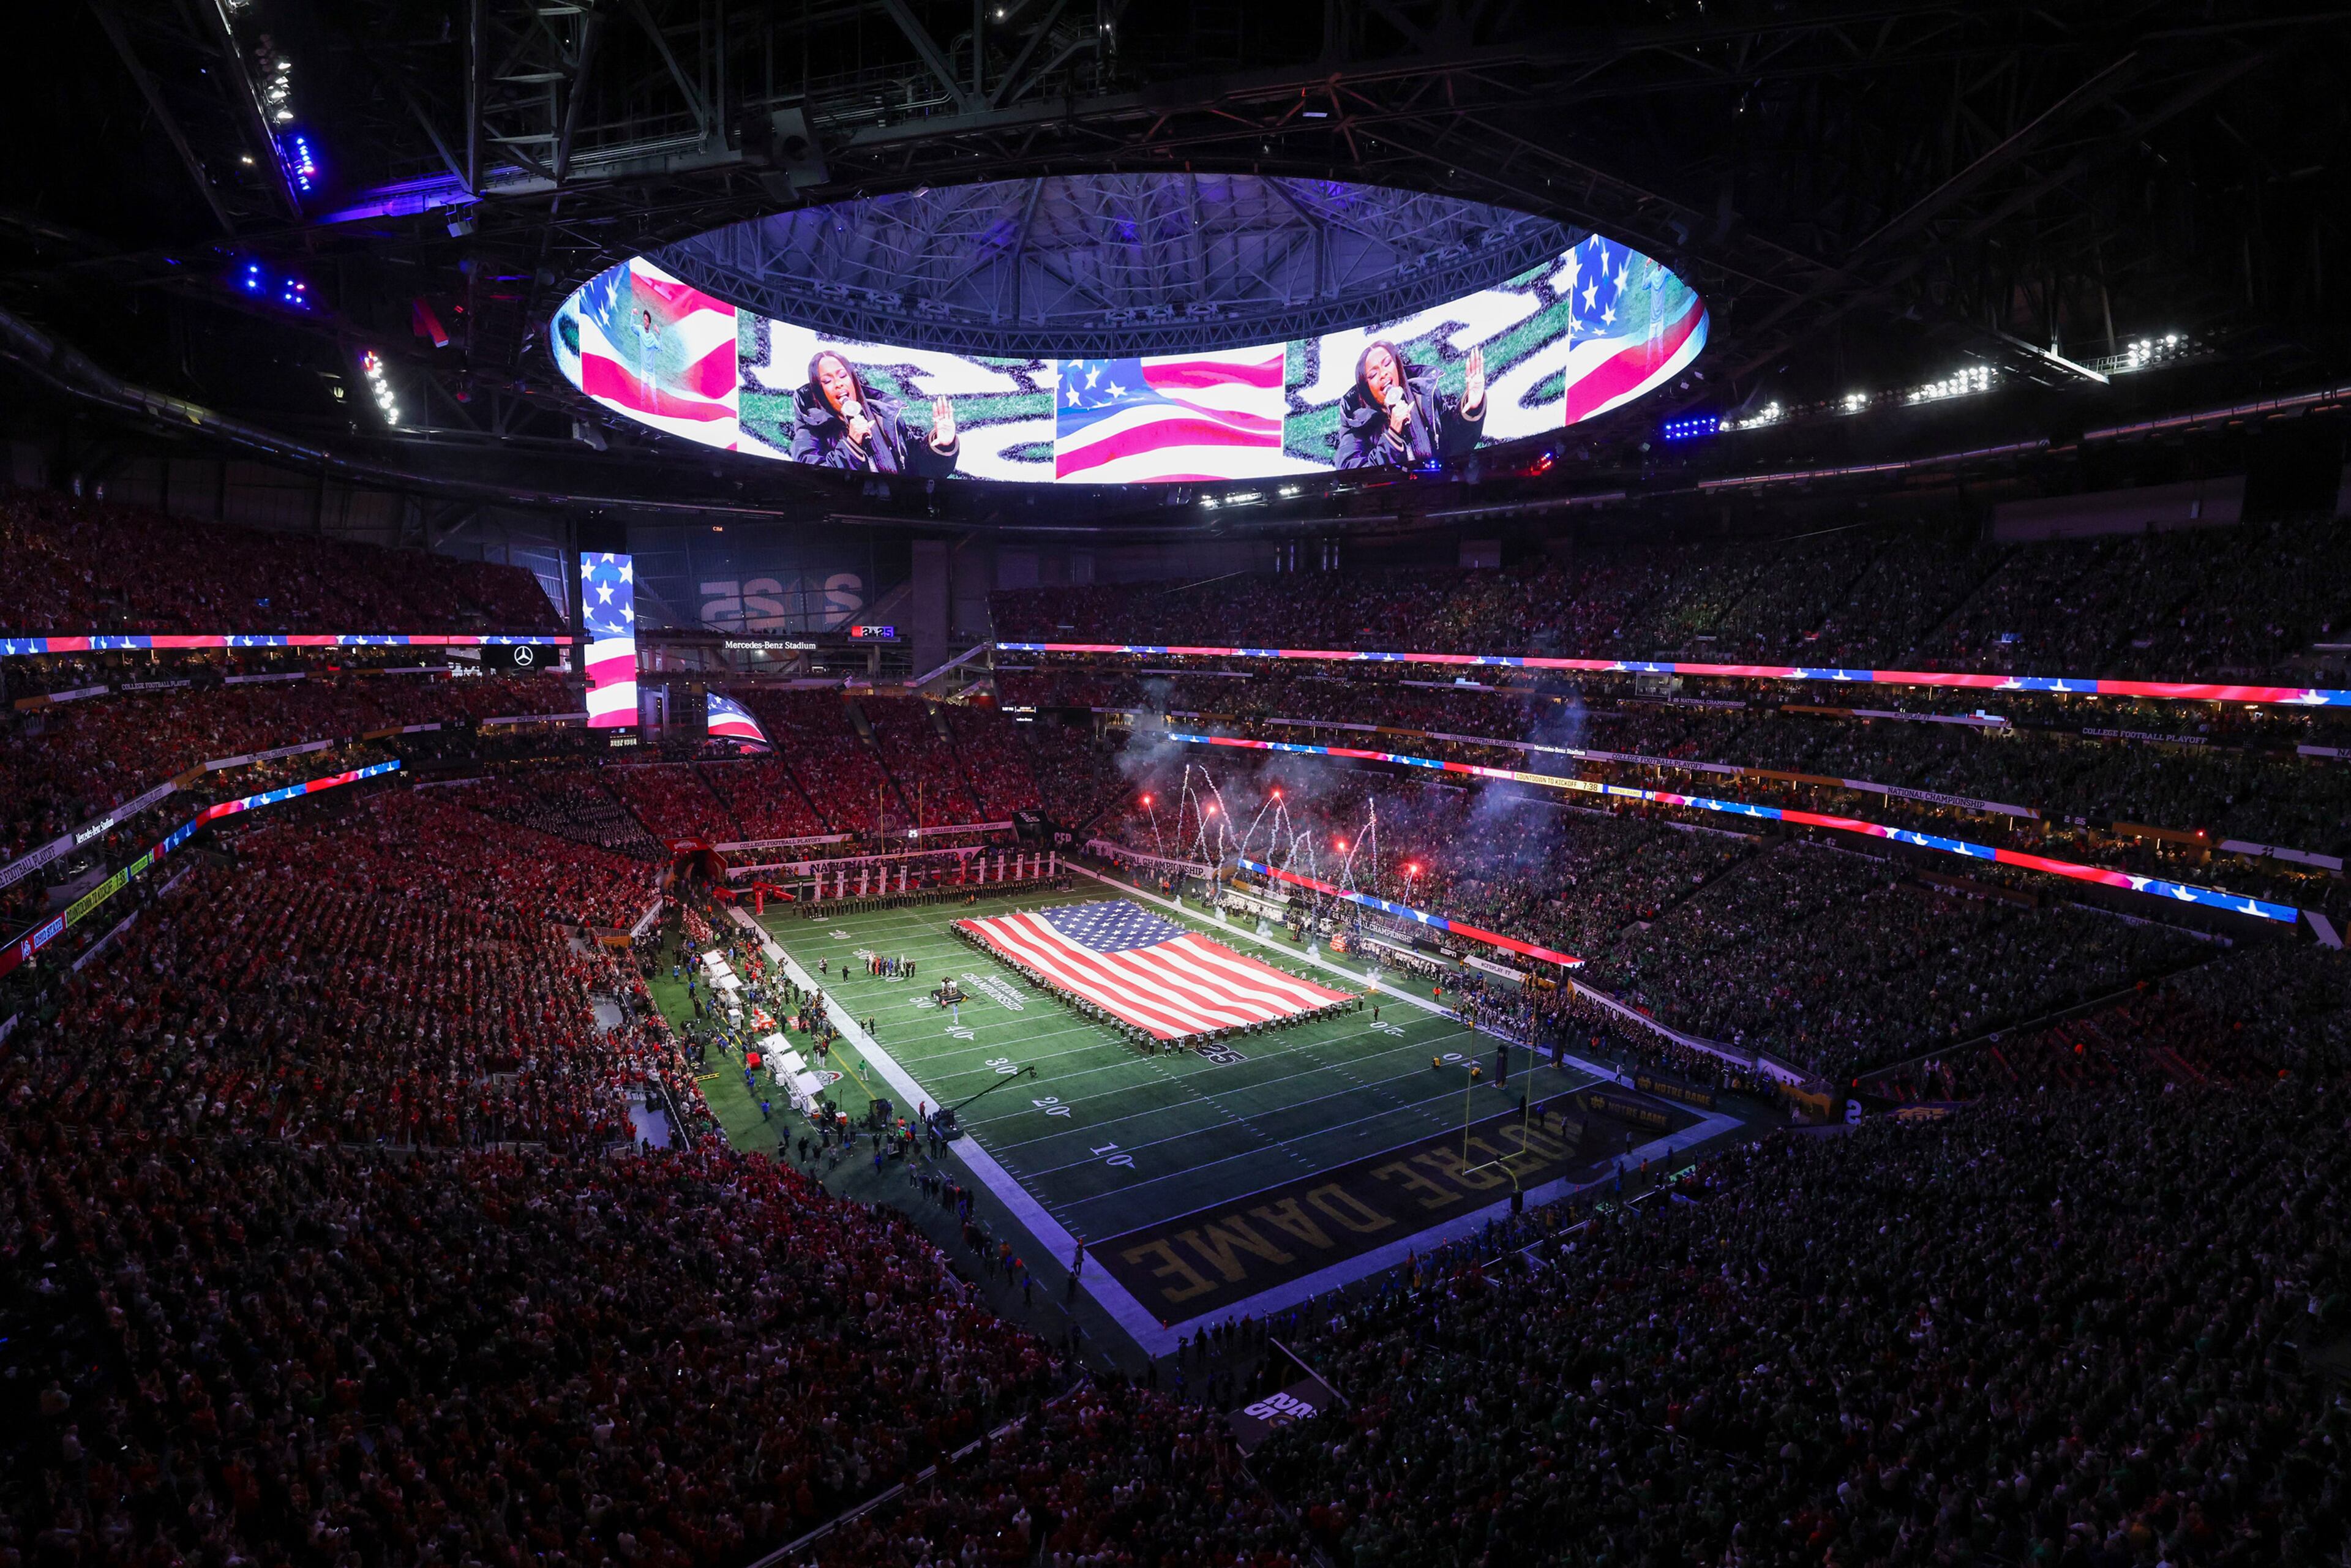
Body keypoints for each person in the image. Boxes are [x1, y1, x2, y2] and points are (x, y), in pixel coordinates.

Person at [789, 351, 960, 476]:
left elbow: (920, 470)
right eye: (827, 381)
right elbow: (812, 479)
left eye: (843, 376)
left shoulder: (884, 417)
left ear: (853, 380)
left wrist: (942, 445)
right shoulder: (809, 431)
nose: (839, 384)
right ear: (819, 391)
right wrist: (852, 446)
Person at [1335, 340, 1485, 468]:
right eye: (1373, 375)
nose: (1383, 374)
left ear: (1398, 366)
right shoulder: (1357, 426)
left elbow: (1456, 446)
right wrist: (1393, 435)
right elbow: (1355, 476)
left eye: (1387, 363)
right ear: (1366, 388)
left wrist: (1473, 406)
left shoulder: (1425, 398)